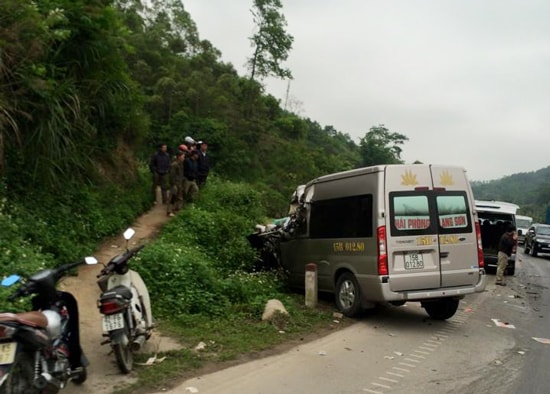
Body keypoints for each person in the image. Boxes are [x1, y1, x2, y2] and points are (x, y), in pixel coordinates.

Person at [167, 150, 186, 216]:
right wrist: (173, 184)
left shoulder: (181, 164)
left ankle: (177, 210)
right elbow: (172, 175)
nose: (184, 158)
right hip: (175, 183)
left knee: (179, 197)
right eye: (183, 156)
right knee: (172, 197)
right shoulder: (174, 165)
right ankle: (169, 211)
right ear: (179, 157)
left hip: (180, 183)